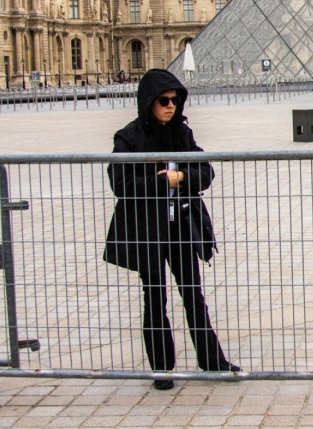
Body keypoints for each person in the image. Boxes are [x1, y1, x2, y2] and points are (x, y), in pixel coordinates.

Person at [103, 69, 240, 391]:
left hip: (180, 226)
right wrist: (160, 182)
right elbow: (120, 184)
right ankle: (162, 368)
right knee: (154, 297)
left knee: (193, 295)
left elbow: (205, 171)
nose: (171, 107)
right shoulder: (128, 137)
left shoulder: (182, 132)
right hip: (148, 229)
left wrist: (181, 178)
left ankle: (212, 361)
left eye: (175, 101)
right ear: (148, 101)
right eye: (164, 101)